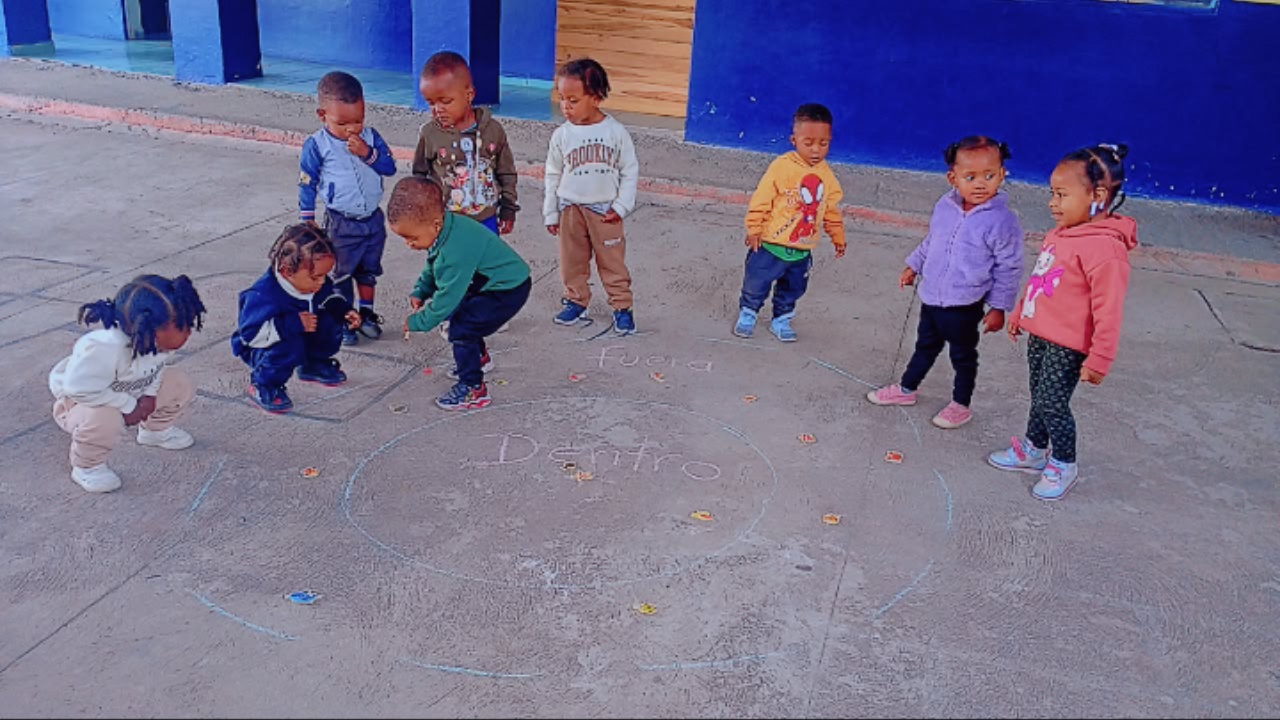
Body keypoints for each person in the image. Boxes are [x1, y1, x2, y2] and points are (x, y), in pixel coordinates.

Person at [988, 143, 1138, 501]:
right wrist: (1022, 313)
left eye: (1062, 195)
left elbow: (1108, 310)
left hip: (1068, 344)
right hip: (1041, 333)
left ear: (1097, 196)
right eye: (1052, 194)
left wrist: (1100, 358)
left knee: (1053, 402)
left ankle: (1064, 463)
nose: (1052, 203)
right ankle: (1034, 449)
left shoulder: (1106, 250)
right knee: (1039, 395)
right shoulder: (1060, 233)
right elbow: (1041, 278)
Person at [867, 136, 1024, 429]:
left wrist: (998, 307)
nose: (981, 184)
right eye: (970, 177)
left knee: (963, 355)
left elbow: (1008, 267)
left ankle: (961, 405)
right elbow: (933, 241)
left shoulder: (1003, 221)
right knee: (925, 345)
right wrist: (914, 265)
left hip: (965, 303)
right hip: (931, 296)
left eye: (989, 176)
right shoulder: (945, 206)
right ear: (953, 178)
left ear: (1002, 174)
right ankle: (906, 389)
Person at [48, 275, 206, 493]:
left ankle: (155, 432)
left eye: (187, 324)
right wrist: (128, 406)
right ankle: (87, 466)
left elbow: (157, 368)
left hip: (130, 391)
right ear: (143, 328)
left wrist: (150, 395)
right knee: (104, 418)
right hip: (81, 402)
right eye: (179, 327)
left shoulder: (158, 341)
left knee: (178, 382)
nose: (186, 332)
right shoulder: (103, 348)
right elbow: (80, 390)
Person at [390, 177, 531, 411]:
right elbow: (433, 264)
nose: (409, 244)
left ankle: (473, 389)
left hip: (507, 289)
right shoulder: (445, 228)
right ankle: (478, 358)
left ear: (435, 224)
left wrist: (418, 321)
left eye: (412, 238)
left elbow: (447, 299)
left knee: (461, 329)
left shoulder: (455, 250)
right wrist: (421, 290)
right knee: (465, 317)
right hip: (488, 282)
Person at [543, 57, 640, 335]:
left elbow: (629, 170)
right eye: (562, 98)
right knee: (571, 261)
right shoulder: (561, 136)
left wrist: (621, 206)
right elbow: (552, 174)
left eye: (573, 100)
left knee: (612, 262)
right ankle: (576, 301)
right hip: (570, 209)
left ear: (596, 98)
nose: (565, 106)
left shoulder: (615, 132)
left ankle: (622, 307)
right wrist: (551, 212)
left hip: (606, 211)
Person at [299, 71, 397, 345]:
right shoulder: (317, 145)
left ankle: (366, 314)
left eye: (358, 120)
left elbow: (389, 167)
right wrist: (307, 217)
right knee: (340, 274)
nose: (352, 129)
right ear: (322, 115)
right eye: (342, 123)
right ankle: (344, 320)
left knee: (368, 271)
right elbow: (307, 181)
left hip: (372, 220)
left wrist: (368, 153)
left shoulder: (370, 137)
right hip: (341, 222)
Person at [734, 103, 846, 342]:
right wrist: (754, 228)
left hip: (802, 249)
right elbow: (762, 199)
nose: (816, 150)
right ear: (794, 140)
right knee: (756, 281)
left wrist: (837, 236)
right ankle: (748, 312)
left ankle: (781, 319)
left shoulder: (827, 176)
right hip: (769, 245)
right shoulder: (782, 167)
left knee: (793, 288)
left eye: (823, 143)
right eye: (808, 143)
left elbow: (830, 209)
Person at [232, 224, 362, 415]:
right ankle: (264, 384)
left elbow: (327, 296)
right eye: (315, 277)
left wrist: (343, 310)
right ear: (286, 271)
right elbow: (250, 335)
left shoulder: (314, 284)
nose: (321, 282)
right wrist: (292, 324)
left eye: (324, 276)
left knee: (329, 321)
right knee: (288, 345)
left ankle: (313, 365)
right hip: (262, 347)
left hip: (302, 334)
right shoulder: (263, 295)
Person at [412, 50, 520, 236]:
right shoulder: (429, 134)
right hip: (446, 223)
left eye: (446, 101)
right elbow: (419, 176)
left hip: (486, 221)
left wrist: (508, 208)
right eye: (430, 103)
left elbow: (506, 173)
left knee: (486, 256)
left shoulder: (493, 131)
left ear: (469, 95)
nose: (437, 110)